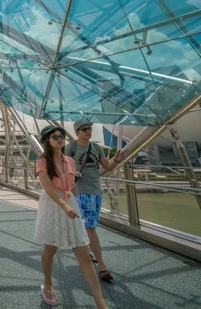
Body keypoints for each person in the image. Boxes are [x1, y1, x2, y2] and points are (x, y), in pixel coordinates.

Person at [34, 125, 108, 308]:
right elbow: (48, 189)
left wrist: (73, 204)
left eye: (61, 136)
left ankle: (101, 304)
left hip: (69, 203)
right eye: (55, 136)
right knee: (50, 249)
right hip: (52, 206)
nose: (60, 139)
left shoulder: (69, 161)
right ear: (47, 140)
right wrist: (65, 206)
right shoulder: (42, 161)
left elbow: (72, 187)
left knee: (83, 252)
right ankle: (48, 283)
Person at [67, 118, 124, 282]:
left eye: (90, 128)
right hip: (81, 192)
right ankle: (102, 265)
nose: (88, 131)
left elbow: (108, 167)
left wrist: (117, 159)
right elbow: (61, 167)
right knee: (91, 227)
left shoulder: (96, 147)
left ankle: (86, 251)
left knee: (87, 226)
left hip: (96, 192)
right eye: (84, 128)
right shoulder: (71, 148)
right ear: (77, 132)